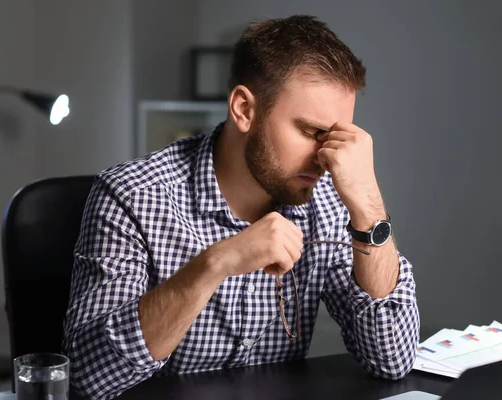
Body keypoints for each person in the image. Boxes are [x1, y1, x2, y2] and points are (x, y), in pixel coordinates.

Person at [62, 14, 420, 399]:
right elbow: (88, 376)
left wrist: (368, 204)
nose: (325, 157)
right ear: (244, 109)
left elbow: (392, 358)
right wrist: (215, 265)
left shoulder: (329, 200)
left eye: (335, 137)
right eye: (311, 132)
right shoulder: (132, 195)